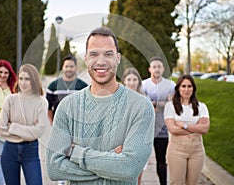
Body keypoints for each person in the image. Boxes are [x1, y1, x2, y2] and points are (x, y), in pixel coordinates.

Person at [46, 27, 155, 184]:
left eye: (108, 54)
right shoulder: (67, 106)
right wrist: (112, 164)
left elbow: (130, 168)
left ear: (118, 58)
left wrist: (76, 153)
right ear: (86, 59)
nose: (101, 61)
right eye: (94, 54)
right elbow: (53, 167)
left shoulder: (141, 107)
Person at [0, 64, 48, 185]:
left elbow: (39, 131)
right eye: (20, 78)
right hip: (9, 150)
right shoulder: (10, 99)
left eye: (27, 79)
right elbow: (1, 129)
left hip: (30, 151)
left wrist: (13, 127)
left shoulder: (41, 101)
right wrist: (28, 131)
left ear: (34, 80)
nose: (23, 82)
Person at [164, 74, 210, 185]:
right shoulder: (170, 106)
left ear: (193, 88)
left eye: (189, 86)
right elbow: (173, 129)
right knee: (177, 183)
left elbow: (205, 129)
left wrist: (184, 125)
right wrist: (196, 127)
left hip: (197, 150)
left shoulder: (201, 107)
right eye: (183, 86)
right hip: (177, 150)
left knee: (193, 183)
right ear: (178, 88)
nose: (186, 89)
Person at [142, 56, 175, 185]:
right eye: (154, 67)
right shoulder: (143, 84)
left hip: (162, 130)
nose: (156, 69)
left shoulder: (170, 85)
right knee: (139, 161)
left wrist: (155, 104)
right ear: (150, 69)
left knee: (161, 162)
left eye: (159, 67)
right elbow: (144, 104)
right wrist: (163, 103)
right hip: (145, 130)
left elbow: (171, 104)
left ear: (163, 69)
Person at [121, 67, 148, 185]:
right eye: (129, 79)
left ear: (139, 82)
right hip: (120, 145)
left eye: (134, 79)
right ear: (124, 82)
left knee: (137, 179)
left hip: (139, 145)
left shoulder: (145, 101)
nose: (132, 83)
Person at [46, 54, 88, 125]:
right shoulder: (53, 86)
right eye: (66, 66)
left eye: (71, 66)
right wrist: (53, 123)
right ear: (63, 67)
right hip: (59, 125)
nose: (69, 69)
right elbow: (49, 108)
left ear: (75, 67)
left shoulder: (83, 86)